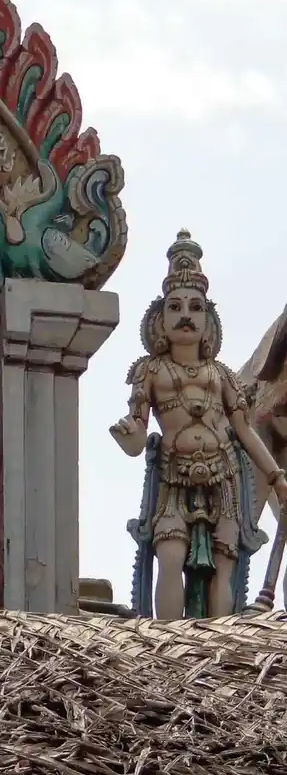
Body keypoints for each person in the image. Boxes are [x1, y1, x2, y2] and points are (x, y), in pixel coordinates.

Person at [112, 229, 287, 618]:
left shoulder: (222, 376)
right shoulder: (150, 372)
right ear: (160, 320)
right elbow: (139, 434)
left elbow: (244, 431)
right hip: (174, 477)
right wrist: (130, 438)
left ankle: (217, 643)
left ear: (209, 321)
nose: (186, 316)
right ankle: (170, 643)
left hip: (222, 476)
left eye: (195, 307)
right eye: (175, 307)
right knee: (170, 555)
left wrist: (276, 477)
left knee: (224, 566)